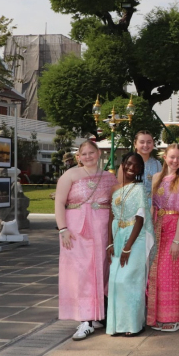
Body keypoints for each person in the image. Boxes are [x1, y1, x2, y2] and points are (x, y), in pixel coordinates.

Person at [55, 140, 118, 341]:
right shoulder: (70, 175)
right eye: (84, 154)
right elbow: (59, 201)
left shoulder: (109, 177)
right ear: (78, 157)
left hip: (101, 228)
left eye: (92, 152)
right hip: (76, 230)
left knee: (101, 270)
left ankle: (98, 314)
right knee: (81, 272)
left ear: (99, 153)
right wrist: (62, 228)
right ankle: (85, 319)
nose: (88, 156)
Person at [148, 144, 179, 332]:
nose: (175, 161)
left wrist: (177, 240)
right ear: (164, 157)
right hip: (159, 226)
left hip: (176, 227)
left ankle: (174, 318)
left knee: (172, 271)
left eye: (178, 158)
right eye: (172, 157)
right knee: (158, 273)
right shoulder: (156, 178)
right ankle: (159, 317)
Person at [106, 152, 153, 336]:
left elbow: (140, 220)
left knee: (130, 281)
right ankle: (118, 326)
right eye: (129, 164)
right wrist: (110, 244)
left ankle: (134, 325)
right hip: (118, 236)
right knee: (116, 282)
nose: (132, 168)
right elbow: (111, 217)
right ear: (123, 164)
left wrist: (128, 247)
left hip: (136, 237)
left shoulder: (139, 188)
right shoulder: (114, 189)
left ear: (141, 170)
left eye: (137, 166)